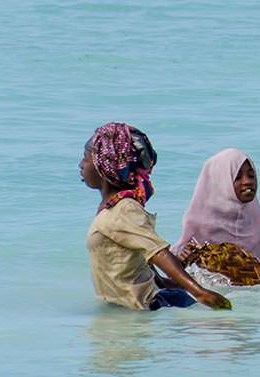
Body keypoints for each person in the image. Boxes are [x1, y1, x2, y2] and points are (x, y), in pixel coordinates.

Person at [81, 123, 231, 310]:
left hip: (145, 308)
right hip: (127, 310)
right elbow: (152, 273)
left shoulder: (124, 209)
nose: (81, 165)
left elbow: (158, 252)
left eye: (86, 159)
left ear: (104, 165)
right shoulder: (112, 208)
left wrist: (199, 292)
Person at [173, 148, 260, 288]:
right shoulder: (199, 223)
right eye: (237, 177)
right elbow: (175, 271)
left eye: (251, 176)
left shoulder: (255, 221)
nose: (247, 182)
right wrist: (181, 260)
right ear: (221, 183)